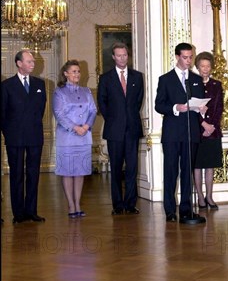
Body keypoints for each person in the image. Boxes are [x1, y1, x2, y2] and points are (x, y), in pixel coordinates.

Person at [155, 42, 210, 224]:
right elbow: (159, 105)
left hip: (190, 133)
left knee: (187, 172)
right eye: (185, 57)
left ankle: (186, 209)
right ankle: (170, 210)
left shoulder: (195, 79)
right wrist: (175, 107)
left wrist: (202, 109)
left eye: (190, 57)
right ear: (177, 57)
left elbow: (200, 102)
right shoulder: (165, 79)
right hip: (172, 134)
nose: (188, 61)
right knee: (171, 172)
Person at [97, 42, 144, 215]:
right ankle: (118, 205)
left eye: (125, 55)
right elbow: (102, 103)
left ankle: (130, 204)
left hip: (132, 129)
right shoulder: (105, 78)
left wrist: (127, 118)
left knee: (132, 168)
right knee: (116, 168)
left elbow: (138, 101)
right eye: (119, 55)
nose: (122, 58)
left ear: (127, 56)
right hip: (114, 130)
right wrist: (115, 120)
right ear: (113, 57)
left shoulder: (137, 77)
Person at [1, 49, 47, 223]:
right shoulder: (6, 86)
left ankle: (31, 211)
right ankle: (18, 214)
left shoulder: (40, 84)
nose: (32, 64)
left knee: (33, 174)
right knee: (17, 175)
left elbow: (40, 110)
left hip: (35, 135)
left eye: (33, 61)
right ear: (19, 63)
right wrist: (9, 133)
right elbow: (3, 114)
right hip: (15, 137)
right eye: (29, 61)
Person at [52, 59, 97, 218]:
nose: (77, 74)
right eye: (73, 71)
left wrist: (86, 126)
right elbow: (59, 114)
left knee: (80, 172)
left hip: (84, 137)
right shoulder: (59, 92)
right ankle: (71, 205)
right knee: (68, 172)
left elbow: (93, 110)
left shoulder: (86, 91)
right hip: (67, 138)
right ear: (66, 74)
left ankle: (78, 204)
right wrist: (75, 127)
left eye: (78, 71)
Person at [193, 51, 224, 210]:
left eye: (208, 66)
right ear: (197, 67)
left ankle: (209, 196)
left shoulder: (216, 84)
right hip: (197, 132)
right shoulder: (191, 84)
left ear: (211, 67)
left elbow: (219, 107)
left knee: (210, 165)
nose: (205, 69)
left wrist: (211, 126)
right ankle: (200, 197)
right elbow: (191, 107)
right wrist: (203, 124)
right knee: (197, 166)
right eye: (202, 66)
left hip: (213, 131)